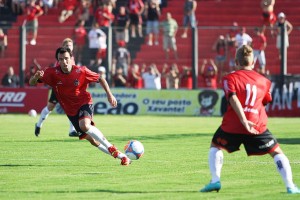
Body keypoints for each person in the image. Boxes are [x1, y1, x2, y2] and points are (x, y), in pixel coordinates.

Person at [200, 45, 300, 194]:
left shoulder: (229, 78)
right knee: (277, 152)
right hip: (257, 125)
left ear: (236, 62)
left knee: (215, 145)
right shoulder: (265, 81)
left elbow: (232, 98)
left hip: (233, 125)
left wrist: (243, 120)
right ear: (253, 63)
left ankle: (215, 180)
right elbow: (265, 101)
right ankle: (290, 186)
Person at [29, 47, 131, 166]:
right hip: (71, 112)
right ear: (58, 60)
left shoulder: (81, 71)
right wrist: (35, 77)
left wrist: (109, 94)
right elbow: (32, 82)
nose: (64, 62)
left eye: (66, 58)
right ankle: (122, 157)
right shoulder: (51, 73)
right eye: (61, 59)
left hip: (84, 103)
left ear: (72, 58)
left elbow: (100, 78)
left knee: (85, 125)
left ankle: (111, 147)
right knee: (92, 141)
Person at [34, 38, 77, 137]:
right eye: (67, 46)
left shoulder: (72, 58)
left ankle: (72, 130)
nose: (69, 47)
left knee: (71, 107)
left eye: (70, 46)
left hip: (68, 87)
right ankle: (39, 124)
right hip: (58, 87)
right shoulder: (61, 59)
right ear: (63, 47)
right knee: (50, 107)